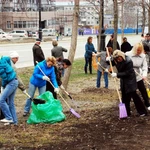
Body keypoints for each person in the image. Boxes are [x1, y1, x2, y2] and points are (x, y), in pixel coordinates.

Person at [110, 50, 147, 117]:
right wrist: (108, 60)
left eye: (119, 58)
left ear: (122, 56)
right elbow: (111, 62)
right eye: (117, 59)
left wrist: (117, 74)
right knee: (124, 97)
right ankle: (126, 113)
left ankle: (142, 111)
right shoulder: (116, 60)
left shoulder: (128, 61)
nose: (118, 60)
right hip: (123, 81)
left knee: (135, 96)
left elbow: (128, 73)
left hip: (130, 81)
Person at [126, 43, 150, 110]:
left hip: (138, 75)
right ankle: (128, 107)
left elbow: (145, 67)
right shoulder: (128, 54)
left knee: (143, 90)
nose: (138, 52)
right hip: (130, 76)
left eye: (140, 50)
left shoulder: (143, 56)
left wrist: (144, 75)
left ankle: (147, 104)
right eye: (137, 50)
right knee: (131, 92)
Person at [0, 55, 18, 125]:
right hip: (14, 81)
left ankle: (8, 118)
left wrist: (3, 86)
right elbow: (7, 58)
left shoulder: (0, 67)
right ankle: (15, 121)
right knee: (11, 103)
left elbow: (5, 79)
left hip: (11, 83)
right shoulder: (3, 60)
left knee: (1, 100)